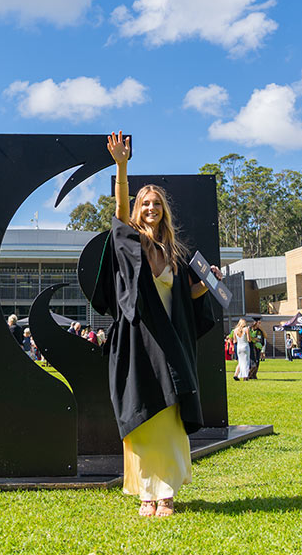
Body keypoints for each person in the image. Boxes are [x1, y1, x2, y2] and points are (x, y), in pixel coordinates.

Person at [89, 131, 217, 518]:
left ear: (164, 210)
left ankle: (167, 493)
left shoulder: (174, 253)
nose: (150, 209)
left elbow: (188, 303)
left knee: (169, 420)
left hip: (172, 341)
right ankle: (147, 493)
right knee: (142, 415)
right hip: (138, 341)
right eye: (145, 204)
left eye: (156, 204)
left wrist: (205, 284)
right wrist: (122, 168)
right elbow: (119, 214)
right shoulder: (128, 244)